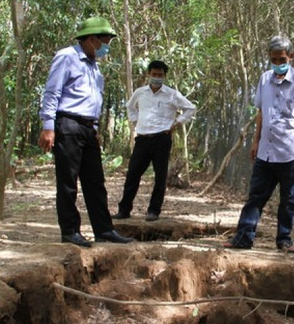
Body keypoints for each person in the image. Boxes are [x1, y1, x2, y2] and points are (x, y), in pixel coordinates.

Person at [38, 16, 134, 247]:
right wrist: (48, 127)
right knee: (68, 181)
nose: (107, 47)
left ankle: (104, 230)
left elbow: (92, 100)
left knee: (95, 181)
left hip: (88, 129)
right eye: (105, 41)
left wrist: (94, 127)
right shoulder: (67, 57)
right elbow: (52, 92)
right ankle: (70, 231)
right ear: (91, 39)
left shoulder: (94, 67)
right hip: (67, 124)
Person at [224, 35, 294, 253]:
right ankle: (244, 237)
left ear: (291, 57)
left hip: (290, 152)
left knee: (289, 200)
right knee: (255, 197)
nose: (277, 64)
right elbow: (260, 114)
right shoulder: (264, 79)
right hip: (266, 151)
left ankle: (284, 239)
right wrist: (255, 142)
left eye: (281, 59)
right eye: (273, 59)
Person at [112, 60, 196, 221]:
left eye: (160, 75)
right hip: (142, 139)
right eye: (154, 74)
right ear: (148, 74)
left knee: (160, 176)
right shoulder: (140, 92)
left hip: (162, 139)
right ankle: (124, 210)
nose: (157, 77)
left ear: (165, 76)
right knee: (132, 175)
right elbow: (130, 107)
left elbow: (190, 108)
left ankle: (153, 211)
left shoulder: (172, 94)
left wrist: (177, 123)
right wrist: (136, 121)